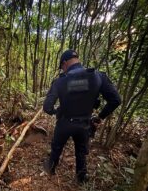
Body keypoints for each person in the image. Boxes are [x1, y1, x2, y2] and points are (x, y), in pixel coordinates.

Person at [43, 49, 121, 183]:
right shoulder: (97, 76)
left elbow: (47, 107)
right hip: (85, 124)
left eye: (62, 67)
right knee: (81, 153)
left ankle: (50, 169)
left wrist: (56, 112)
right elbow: (116, 100)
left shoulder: (60, 81)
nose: (63, 70)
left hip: (64, 123)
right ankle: (81, 178)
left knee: (56, 148)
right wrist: (99, 117)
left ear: (65, 63)